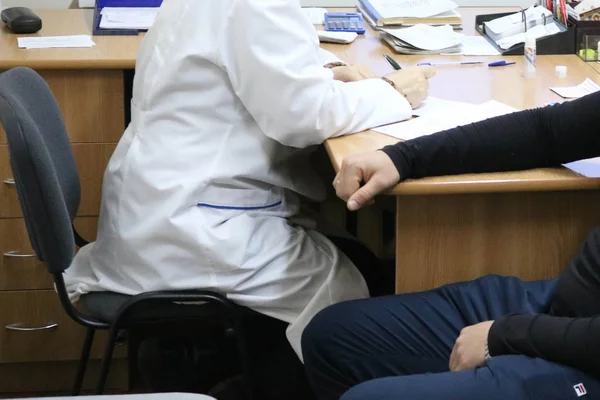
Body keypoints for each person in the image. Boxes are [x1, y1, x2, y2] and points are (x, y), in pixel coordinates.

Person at [63, 0, 435, 398]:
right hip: (195, 225)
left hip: (164, 203)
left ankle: (218, 364)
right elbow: (302, 117)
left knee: (354, 256)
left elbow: (250, 56)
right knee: (342, 296)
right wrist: (394, 92)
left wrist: (326, 72)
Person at [302, 91, 600, 400]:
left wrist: (506, 336)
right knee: (334, 338)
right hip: (565, 308)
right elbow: (547, 132)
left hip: (585, 355)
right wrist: (403, 158)